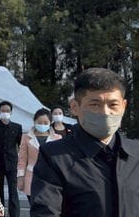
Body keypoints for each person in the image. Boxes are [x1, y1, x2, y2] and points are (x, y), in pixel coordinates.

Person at [31, 67, 139, 216]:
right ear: (75, 107)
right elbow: (46, 212)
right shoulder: (55, 157)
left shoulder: (135, 154)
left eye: (113, 105)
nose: (105, 113)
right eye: (95, 104)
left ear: (124, 106)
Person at [16, 108, 61, 202]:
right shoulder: (26, 137)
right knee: (34, 206)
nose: (42, 125)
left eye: (45, 123)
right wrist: (20, 177)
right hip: (31, 177)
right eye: (40, 122)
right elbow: (22, 159)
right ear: (34, 121)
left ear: (50, 122)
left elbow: (60, 160)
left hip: (51, 178)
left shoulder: (57, 138)